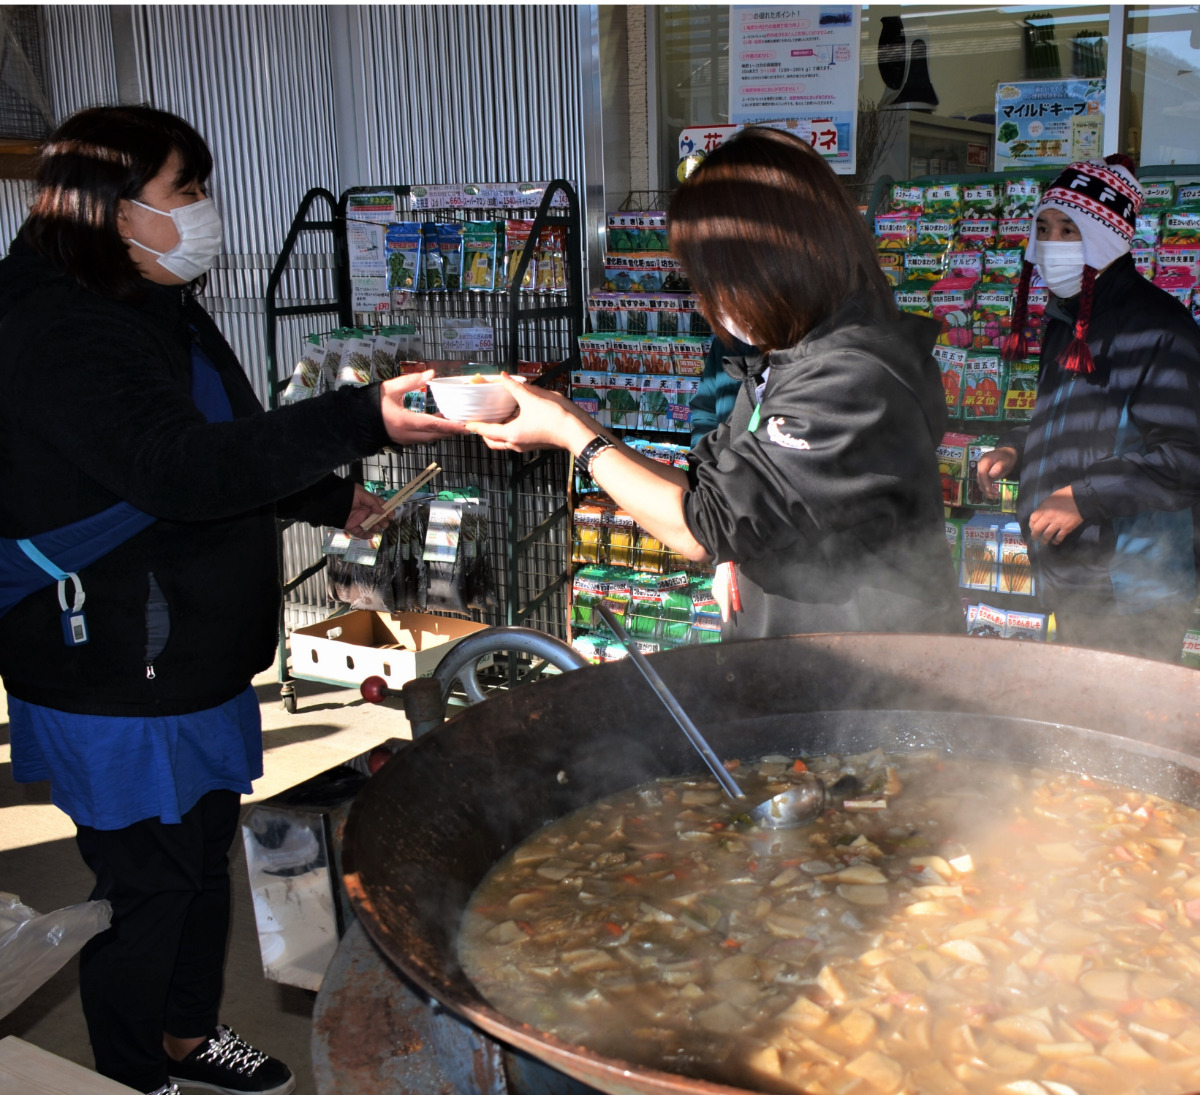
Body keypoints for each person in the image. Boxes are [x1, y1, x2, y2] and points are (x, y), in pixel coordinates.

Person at [0, 106, 465, 1095]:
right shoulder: (55, 323)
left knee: (199, 857)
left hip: (189, 650)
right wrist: (365, 418)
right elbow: (172, 469)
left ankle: (185, 1034)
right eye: (187, 189)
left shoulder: (150, 291)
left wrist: (331, 494)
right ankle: (135, 1076)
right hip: (113, 666)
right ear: (113, 208)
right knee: (147, 887)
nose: (207, 209)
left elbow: (224, 433)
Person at [471, 127, 962, 640]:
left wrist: (574, 436)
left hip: (869, 682)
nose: (706, 300)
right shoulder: (784, 356)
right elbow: (706, 493)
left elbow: (705, 526)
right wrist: (572, 419)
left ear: (769, 261)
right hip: (797, 666)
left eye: (708, 277)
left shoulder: (851, 376)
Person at [977, 156, 1200, 662]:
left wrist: (1083, 495)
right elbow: (1064, 415)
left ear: (1104, 236)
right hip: (1070, 567)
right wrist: (1017, 447)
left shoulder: (1159, 329)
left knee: (1122, 722)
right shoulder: (1068, 317)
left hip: (1131, 586)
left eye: (1068, 229)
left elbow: (1186, 457)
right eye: (1043, 228)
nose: (1051, 243)